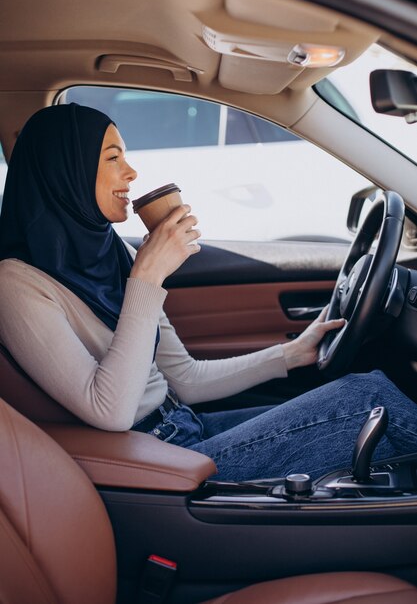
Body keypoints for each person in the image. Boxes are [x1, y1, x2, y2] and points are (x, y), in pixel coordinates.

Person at [0, 103, 416, 482]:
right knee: (368, 398)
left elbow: (184, 379)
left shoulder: (113, 252)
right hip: (153, 461)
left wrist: (292, 354)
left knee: (366, 398)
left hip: (184, 426)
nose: (131, 172)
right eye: (113, 158)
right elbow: (110, 410)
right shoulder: (17, 285)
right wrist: (148, 278)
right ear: (65, 171)